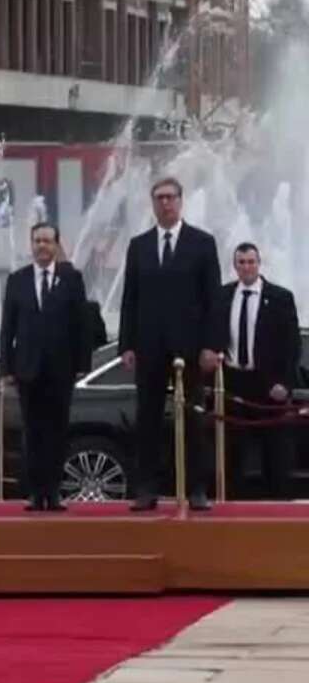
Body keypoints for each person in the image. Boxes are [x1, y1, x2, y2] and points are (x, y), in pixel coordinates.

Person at [119, 177, 220, 511]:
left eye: (171, 197)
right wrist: (127, 345)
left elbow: (213, 300)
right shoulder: (140, 245)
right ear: (153, 203)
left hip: (189, 349)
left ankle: (196, 489)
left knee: (193, 420)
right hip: (149, 347)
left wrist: (211, 345)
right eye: (159, 198)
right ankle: (146, 489)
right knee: (146, 420)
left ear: (181, 201)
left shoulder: (202, 244)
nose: (165, 203)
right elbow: (129, 298)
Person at [0, 223, 92, 511]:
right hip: (27, 369)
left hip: (61, 370)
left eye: (47, 241)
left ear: (56, 245)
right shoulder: (18, 280)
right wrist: (7, 368)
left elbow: (82, 326)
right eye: (37, 241)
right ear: (31, 245)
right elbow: (7, 328)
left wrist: (82, 364)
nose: (42, 246)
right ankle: (35, 493)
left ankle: (53, 492)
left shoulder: (72, 279)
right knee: (33, 432)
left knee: (57, 432)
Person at [209, 243, 300, 499]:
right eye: (241, 262)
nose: (246, 267)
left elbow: (292, 345)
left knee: (274, 451)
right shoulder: (223, 295)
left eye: (251, 262)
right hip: (233, 384)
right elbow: (214, 334)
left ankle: (278, 507)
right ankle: (231, 505)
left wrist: (285, 383)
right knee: (231, 451)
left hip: (269, 386)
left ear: (259, 264)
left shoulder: (281, 297)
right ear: (235, 266)